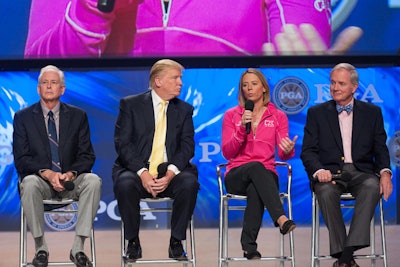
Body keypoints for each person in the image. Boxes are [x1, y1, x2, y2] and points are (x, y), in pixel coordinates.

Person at [24, 0, 362, 58]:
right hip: (105, 147)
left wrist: (302, 79)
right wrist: (97, 6)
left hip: (229, 150)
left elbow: (297, 73)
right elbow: (36, 75)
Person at [300, 63, 393, 267]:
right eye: (332, 83)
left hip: (361, 173)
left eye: (341, 83)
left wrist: (386, 173)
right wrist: (318, 170)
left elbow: (380, 148)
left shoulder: (372, 112)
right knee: (324, 192)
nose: (335, 88)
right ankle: (346, 258)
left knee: (371, 186)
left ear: (354, 87)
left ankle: (345, 255)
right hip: (330, 175)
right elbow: (307, 151)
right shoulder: (317, 113)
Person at [13, 65, 102, 267]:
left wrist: (69, 174)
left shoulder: (78, 116)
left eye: (54, 83)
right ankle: (41, 249)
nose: (49, 87)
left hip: (71, 181)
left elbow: (87, 155)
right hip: (41, 181)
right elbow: (21, 158)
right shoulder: (23, 118)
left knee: (93, 181)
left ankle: (78, 248)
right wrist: (48, 174)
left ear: (62, 89)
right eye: (44, 82)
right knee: (28, 183)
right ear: (38, 89)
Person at [112, 59, 200, 262]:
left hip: (169, 173)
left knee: (189, 183)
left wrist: (169, 174)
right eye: (175, 78)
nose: (180, 83)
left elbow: (187, 148)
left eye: (180, 78)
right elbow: (123, 144)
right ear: (158, 81)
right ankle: (132, 241)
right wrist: (142, 173)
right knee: (125, 184)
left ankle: (176, 242)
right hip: (136, 171)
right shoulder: (130, 105)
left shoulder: (184, 110)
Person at [221, 68, 297, 260]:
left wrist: (288, 150)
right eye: (245, 85)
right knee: (255, 167)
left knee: (257, 186)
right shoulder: (232, 115)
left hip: (266, 175)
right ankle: (281, 218)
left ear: (263, 88)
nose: (249, 88)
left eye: (254, 84)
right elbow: (228, 152)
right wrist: (240, 130)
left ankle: (249, 247)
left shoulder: (278, 116)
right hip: (237, 174)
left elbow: (283, 152)